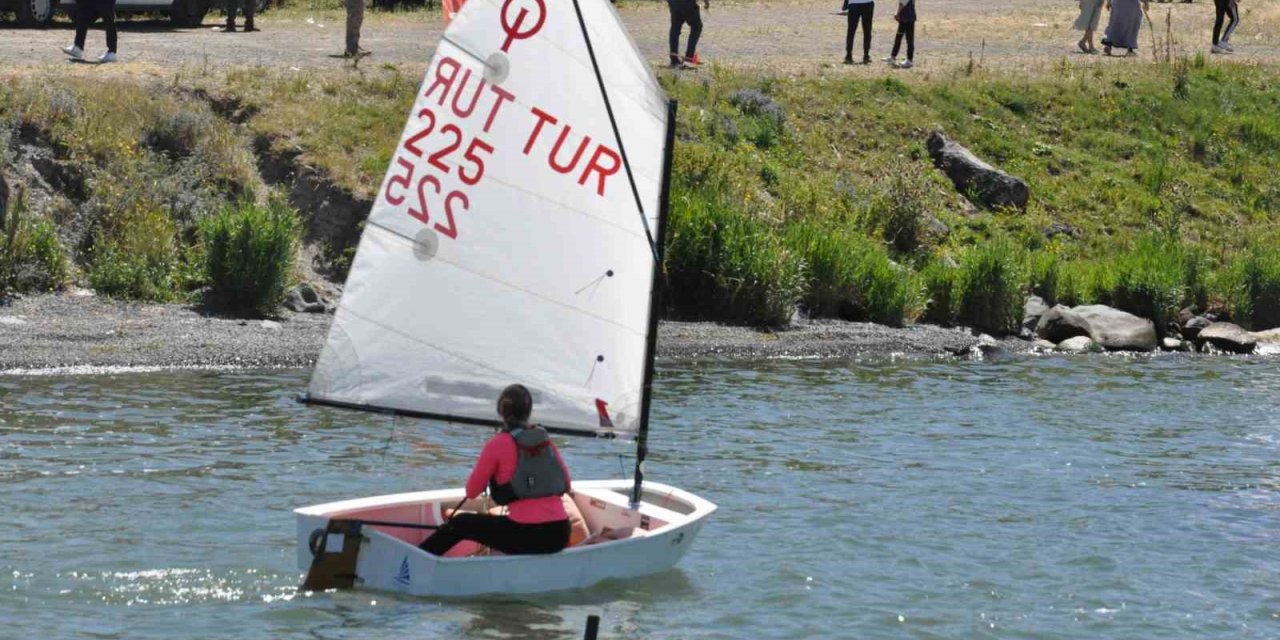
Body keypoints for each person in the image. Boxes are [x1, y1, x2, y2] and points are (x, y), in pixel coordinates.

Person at [418, 384, 573, 556]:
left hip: (526, 534)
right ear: (529, 412)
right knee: (504, 524)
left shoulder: (498, 443)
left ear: (501, 411)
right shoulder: (545, 442)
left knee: (461, 523)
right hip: (560, 533)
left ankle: (416, 562)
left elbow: (471, 492)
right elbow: (566, 483)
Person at [668, 0, 708, 68]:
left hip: (674, 4)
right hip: (687, 4)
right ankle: (689, 58)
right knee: (697, 27)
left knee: (675, 30)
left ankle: (674, 59)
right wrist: (706, 2)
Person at [884, 0, 916, 68]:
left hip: (906, 18)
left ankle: (909, 61)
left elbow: (902, 3)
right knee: (900, 38)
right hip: (909, 17)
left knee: (907, 39)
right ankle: (893, 57)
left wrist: (897, 13)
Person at [844, 0, 874, 65]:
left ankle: (849, 54)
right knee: (867, 30)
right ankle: (866, 55)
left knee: (851, 30)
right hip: (865, 3)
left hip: (855, 3)